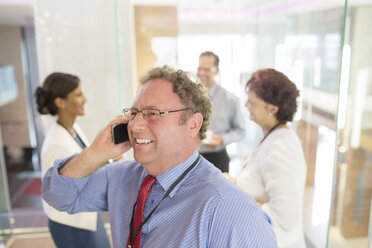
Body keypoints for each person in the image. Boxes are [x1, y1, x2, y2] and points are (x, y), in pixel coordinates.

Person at [42, 66, 277, 248]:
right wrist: (96, 153)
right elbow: (58, 194)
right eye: (134, 113)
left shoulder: (230, 208)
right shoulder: (121, 177)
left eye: (153, 114)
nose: (135, 125)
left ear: (193, 124)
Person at [225, 68, 307, 248]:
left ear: (272, 109)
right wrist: (234, 182)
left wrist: (236, 197)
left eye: (252, 102)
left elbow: (284, 216)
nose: (246, 105)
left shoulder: (279, 146)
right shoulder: (278, 135)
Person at [35, 72, 110, 248]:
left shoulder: (72, 128)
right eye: (78, 95)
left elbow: (86, 163)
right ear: (60, 102)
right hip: (71, 224)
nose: (85, 99)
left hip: (85, 217)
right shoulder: (57, 145)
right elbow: (74, 185)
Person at [197, 51, 245, 172]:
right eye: (200, 68)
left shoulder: (230, 99)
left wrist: (222, 139)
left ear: (216, 71)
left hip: (217, 158)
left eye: (207, 69)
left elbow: (241, 131)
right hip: (193, 157)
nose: (202, 73)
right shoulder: (188, 97)